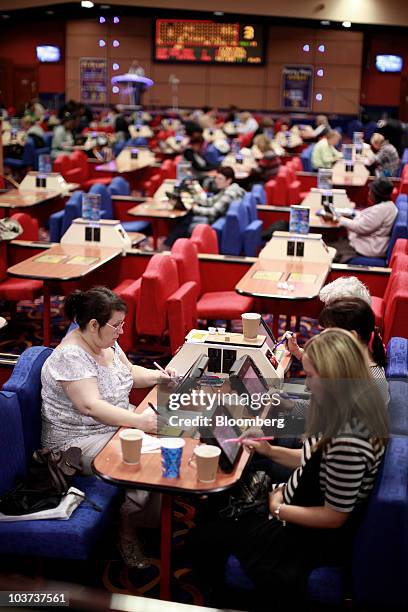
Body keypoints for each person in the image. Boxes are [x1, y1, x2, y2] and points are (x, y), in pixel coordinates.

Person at [190, 329, 388, 609]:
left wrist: (277, 507)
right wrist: (270, 451)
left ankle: (220, 596)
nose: (306, 387)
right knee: (214, 509)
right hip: (296, 503)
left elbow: (334, 517)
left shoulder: (349, 440)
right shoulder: (345, 408)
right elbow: (310, 460)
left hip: (310, 537)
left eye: (310, 377)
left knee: (202, 540)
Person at [41, 287, 177, 567]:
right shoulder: (71, 355)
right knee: (145, 457)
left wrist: (157, 377)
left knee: (169, 432)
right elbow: (90, 406)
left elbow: (128, 373)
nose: (121, 332)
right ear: (93, 325)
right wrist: (138, 421)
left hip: (111, 423)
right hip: (76, 440)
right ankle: (126, 527)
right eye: (117, 325)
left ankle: (148, 522)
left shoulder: (105, 342)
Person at [163, 167, 245, 247]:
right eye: (216, 178)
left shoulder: (229, 193)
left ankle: (168, 245)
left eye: (220, 179)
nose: (216, 181)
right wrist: (194, 199)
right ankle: (170, 244)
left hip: (215, 221)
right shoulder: (229, 189)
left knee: (185, 221)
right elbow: (211, 201)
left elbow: (214, 211)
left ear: (229, 180)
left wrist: (193, 209)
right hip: (217, 218)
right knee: (186, 218)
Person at [329, 177, 397, 263]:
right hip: (365, 243)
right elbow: (367, 219)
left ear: (376, 194)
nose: (368, 194)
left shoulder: (381, 210)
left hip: (368, 248)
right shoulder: (387, 206)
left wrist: (339, 219)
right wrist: (352, 214)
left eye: (370, 191)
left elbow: (360, 228)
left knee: (330, 249)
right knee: (335, 244)